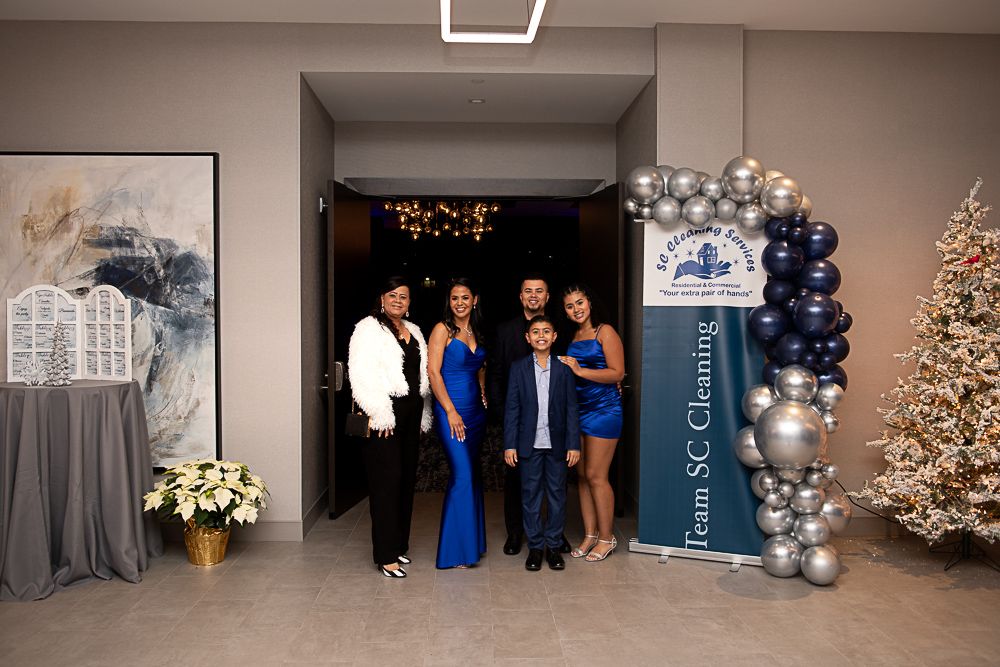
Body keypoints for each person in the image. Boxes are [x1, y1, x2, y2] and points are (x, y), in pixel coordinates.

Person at [347, 276, 432, 578]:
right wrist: (380, 413)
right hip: (385, 414)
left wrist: (425, 413)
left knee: (406, 479)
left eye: (404, 296)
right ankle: (385, 556)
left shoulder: (416, 331)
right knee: (387, 482)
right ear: (382, 298)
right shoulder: (367, 329)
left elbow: (423, 377)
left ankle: (398, 545)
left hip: (412, 412)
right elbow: (361, 375)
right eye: (393, 295)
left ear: (410, 302)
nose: (398, 300)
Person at [488, 273, 571, 556]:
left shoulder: (560, 328)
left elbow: (574, 368)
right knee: (517, 482)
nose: (533, 295)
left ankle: (554, 537)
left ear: (547, 297)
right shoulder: (504, 330)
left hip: (554, 421)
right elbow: (496, 375)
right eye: (528, 291)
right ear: (520, 296)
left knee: (555, 483)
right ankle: (516, 533)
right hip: (517, 422)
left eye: (539, 291)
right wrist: (503, 416)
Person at [503, 314, 580, 571]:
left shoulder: (564, 368)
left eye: (546, 331)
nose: (541, 336)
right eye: (535, 332)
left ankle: (554, 547)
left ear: (555, 336)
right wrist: (510, 444)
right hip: (529, 444)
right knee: (530, 496)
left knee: (558, 496)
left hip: (558, 444)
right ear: (528, 337)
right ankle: (536, 547)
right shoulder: (518, 368)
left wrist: (573, 444)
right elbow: (512, 408)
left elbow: (571, 408)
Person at [558, 283, 625, 562]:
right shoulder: (572, 336)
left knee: (597, 476)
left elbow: (617, 373)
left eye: (580, 303)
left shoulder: (604, 331)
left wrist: (579, 370)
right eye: (570, 306)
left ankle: (607, 538)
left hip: (604, 410)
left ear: (590, 302)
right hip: (579, 411)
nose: (576, 309)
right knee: (583, 476)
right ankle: (590, 534)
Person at [428, 277, 488, 568]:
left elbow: (478, 365)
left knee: (472, 475)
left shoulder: (477, 329)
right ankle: (456, 553)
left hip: (476, 412)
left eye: (465, 297)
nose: (460, 303)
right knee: (462, 475)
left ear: (474, 300)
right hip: (451, 412)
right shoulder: (442, 330)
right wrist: (450, 410)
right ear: (449, 302)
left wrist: (484, 390)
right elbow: (434, 372)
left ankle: (473, 543)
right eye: (454, 298)